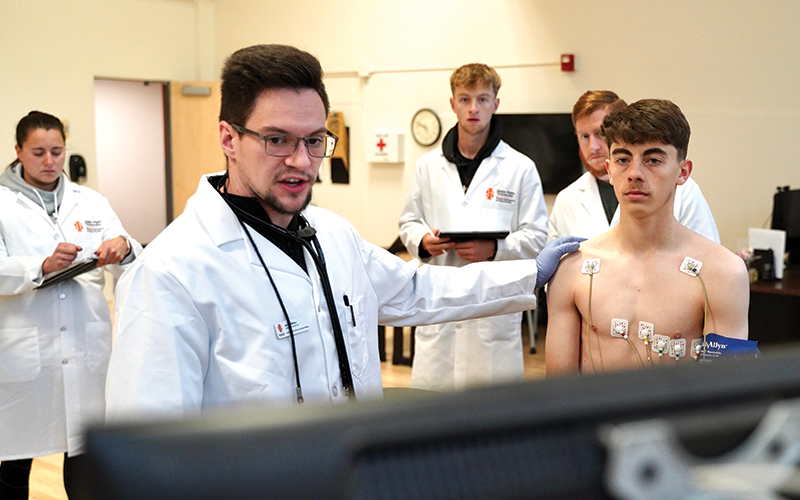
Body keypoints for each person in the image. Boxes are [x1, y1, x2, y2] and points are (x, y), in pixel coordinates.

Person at [104, 44, 580, 420]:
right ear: (229, 138)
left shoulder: (332, 235)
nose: (301, 161)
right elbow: (149, 450)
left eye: (314, 141)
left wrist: (530, 275)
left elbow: (419, 290)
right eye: (277, 140)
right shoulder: (170, 272)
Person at [545, 99, 748, 375]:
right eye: (623, 160)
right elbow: (559, 388)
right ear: (610, 169)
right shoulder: (572, 269)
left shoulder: (722, 272)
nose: (635, 174)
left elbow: (725, 385)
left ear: (683, 172)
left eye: (653, 160)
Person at [0, 111, 142, 499]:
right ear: (18, 151)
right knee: (16, 455)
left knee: (83, 453)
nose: (50, 161)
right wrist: (41, 266)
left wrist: (124, 247)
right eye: (38, 152)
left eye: (57, 151)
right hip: (24, 348)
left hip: (84, 345)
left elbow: (131, 255)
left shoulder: (90, 201)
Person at [398, 63, 548, 391]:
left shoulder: (520, 168)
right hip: (439, 305)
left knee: (492, 410)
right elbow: (409, 220)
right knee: (433, 407)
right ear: (452, 104)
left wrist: (494, 249)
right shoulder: (428, 166)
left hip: (492, 310)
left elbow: (537, 236)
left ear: (495, 103)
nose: (473, 109)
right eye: (465, 99)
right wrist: (423, 240)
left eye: (482, 99)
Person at [548, 90, 720, 243]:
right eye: (584, 136)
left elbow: (704, 254)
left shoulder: (683, 190)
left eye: (600, 134)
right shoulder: (566, 200)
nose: (593, 147)